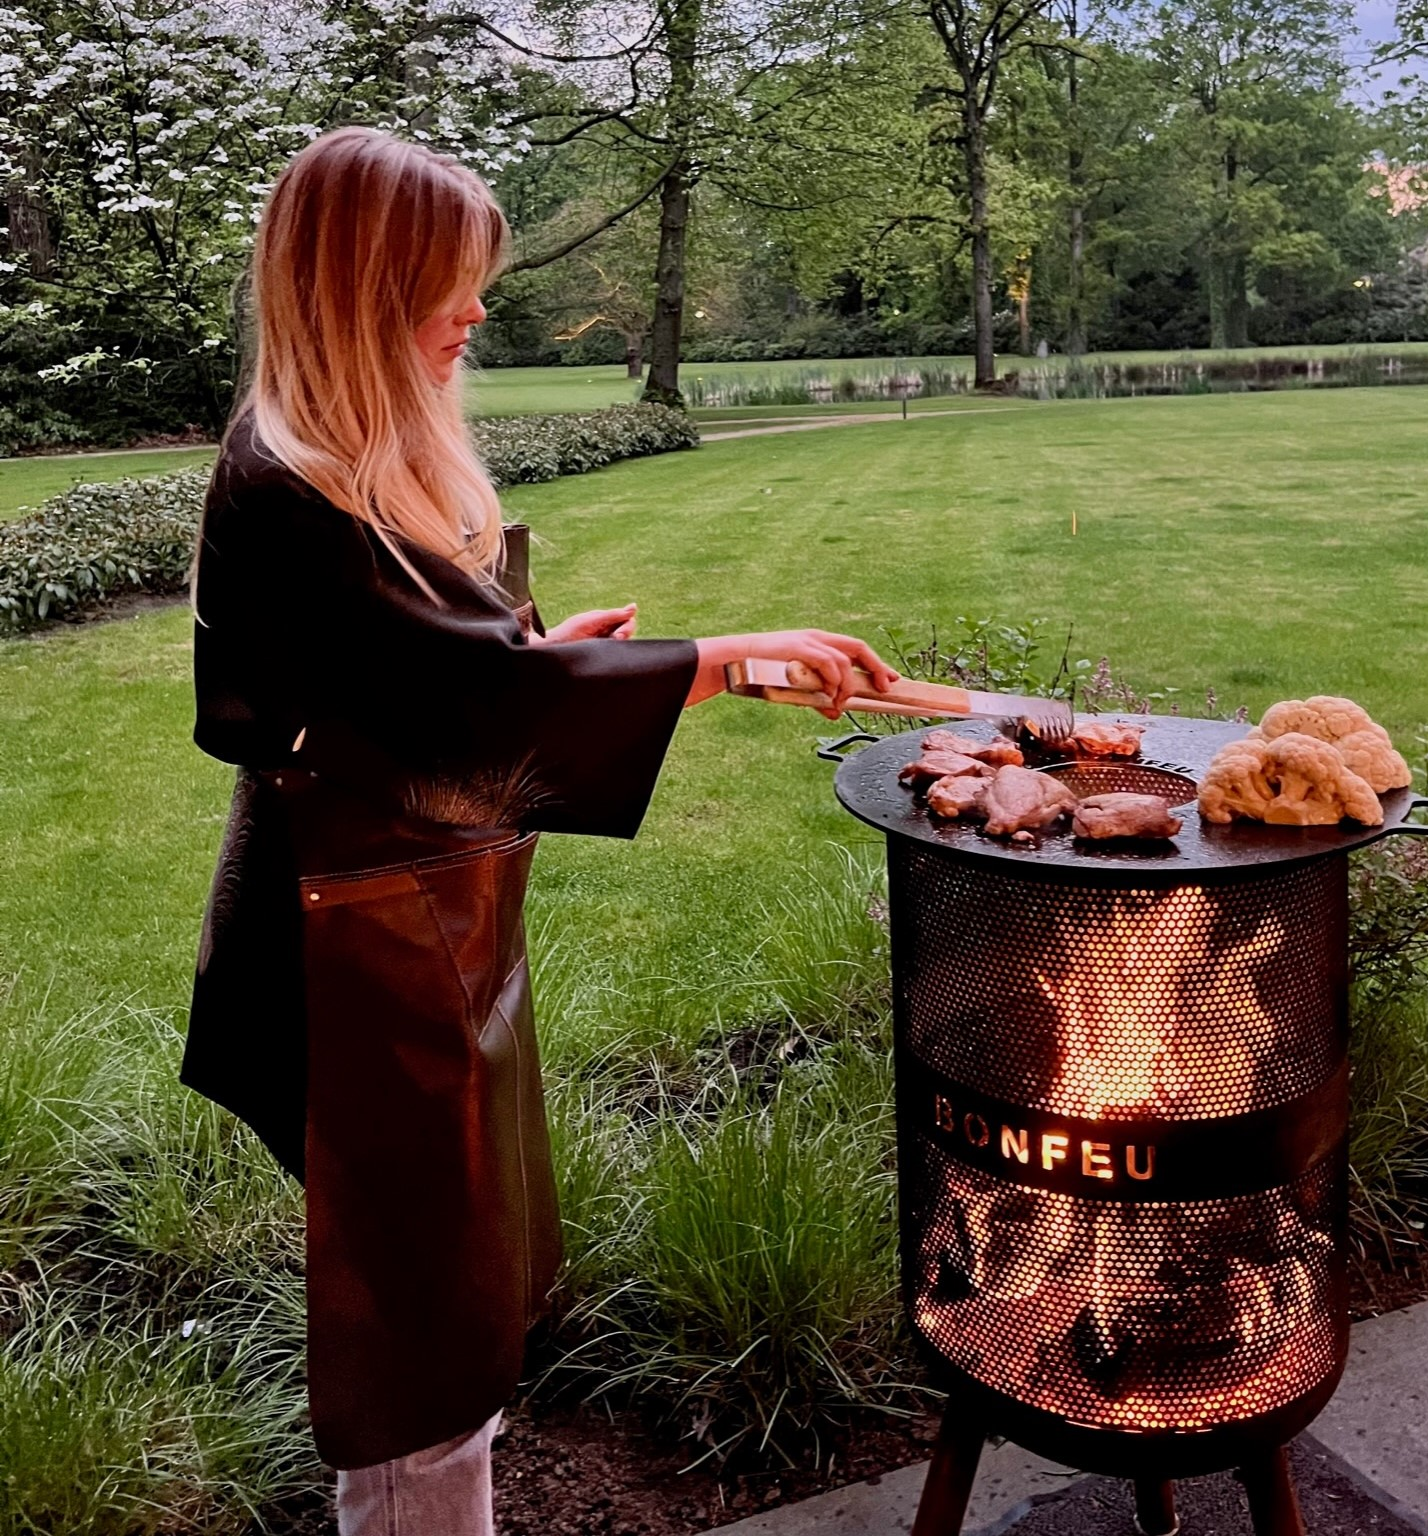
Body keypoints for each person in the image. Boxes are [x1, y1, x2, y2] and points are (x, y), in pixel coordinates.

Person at [180, 125, 895, 1536]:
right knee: (418, 1345)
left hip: (403, 930)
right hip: (349, 960)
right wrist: (711, 660)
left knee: (448, 1291)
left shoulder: (328, 470)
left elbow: (415, 692)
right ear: (366, 291)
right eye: (448, 284)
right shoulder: (288, 485)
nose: (476, 310)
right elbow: (461, 703)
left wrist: (549, 657)